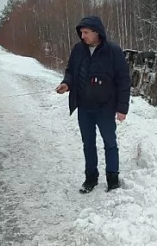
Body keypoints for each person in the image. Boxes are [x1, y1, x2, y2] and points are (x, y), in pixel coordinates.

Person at [56, 16, 131, 193]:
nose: (82, 36)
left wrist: (122, 108)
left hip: (105, 107)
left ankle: (113, 179)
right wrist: (66, 84)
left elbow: (124, 81)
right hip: (84, 107)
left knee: (110, 143)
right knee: (87, 143)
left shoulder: (112, 51)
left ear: (97, 32)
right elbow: (71, 72)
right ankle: (91, 178)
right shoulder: (78, 50)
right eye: (81, 33)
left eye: (86, 32)